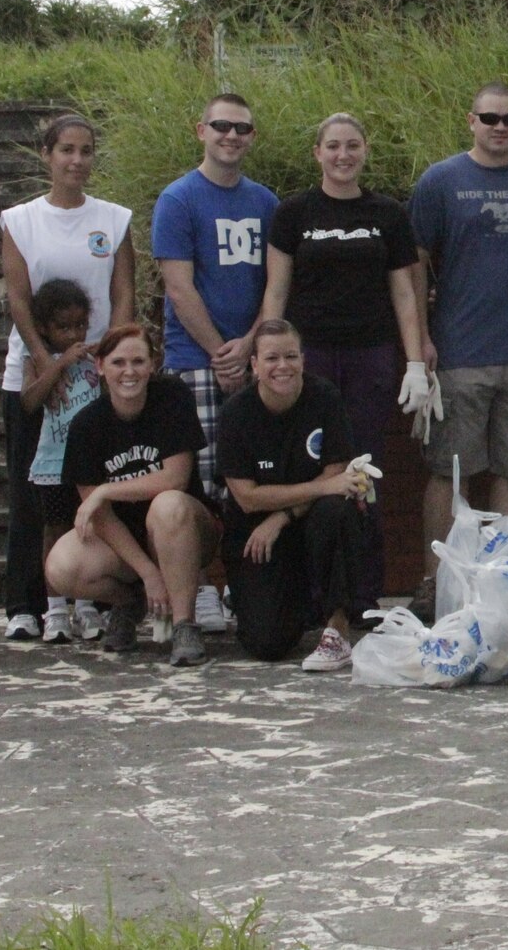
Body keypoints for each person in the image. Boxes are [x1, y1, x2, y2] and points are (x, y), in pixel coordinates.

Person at [408, 82, 508, 618]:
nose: (499, 127)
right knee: (449, 472)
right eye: (489, 118)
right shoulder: (441, 181)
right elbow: (414, 262)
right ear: (470, 120)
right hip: (460, 349)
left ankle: (505, 580)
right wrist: (422, 337)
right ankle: (436, 580)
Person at [261, 112, 426, 606]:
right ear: (317, 153)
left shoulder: (388, 215)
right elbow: (276, 290)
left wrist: (415, 362)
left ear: (365, 151)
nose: (342, 155)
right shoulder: (293, 213)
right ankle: (312, 596)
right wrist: (266, 356)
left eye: (352, 146)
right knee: (312, 470)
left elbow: (404, 294)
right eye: (333, 146)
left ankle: (363, 595)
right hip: (308, 361)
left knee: (363, 471)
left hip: (369, 357)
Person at [0, 113, 134, 642]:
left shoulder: (114, 219)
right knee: (32, 492)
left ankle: (88, 599)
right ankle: (25, 605)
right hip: (35, 375)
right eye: (66, 151)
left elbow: (122, 294)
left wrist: (110, 358)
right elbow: (16, 295)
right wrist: (44, 362)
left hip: (96, 377)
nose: (77, 161)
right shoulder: (20, 220)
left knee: (87, 492)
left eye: (86, 151)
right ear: (47, 155)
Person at [152, 92, 279, 633]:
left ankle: (244, 591)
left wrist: (250, 344)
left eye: (242, 128)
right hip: (195, 361)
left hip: (253, 361)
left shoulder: (266, 202)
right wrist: (218, 351)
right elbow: (178, 287)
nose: (232, 136)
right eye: (221, 126)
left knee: (248, 477)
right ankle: (200, 589)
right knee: (197, 483)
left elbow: (276, 283)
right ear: (200, 129)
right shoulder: (178, 199)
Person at [47, 325, 221, 666]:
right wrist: (148, 575)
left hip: (185, 530)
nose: (129, 372)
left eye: (138, 361)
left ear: (153, 364)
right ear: (100, 367)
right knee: (61, 566)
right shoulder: (86, 425)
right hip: (128, 542)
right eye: (118, 362)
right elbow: (100, 516)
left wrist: (107, 489)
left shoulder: (171, 396)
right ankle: (129, 601)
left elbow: (175, 478)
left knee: (167, 504)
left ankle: (185, 624)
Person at [217, 320, 379, 672]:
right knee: (267, 644)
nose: (282, 366)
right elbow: (247, 497)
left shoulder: (324, 397)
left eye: (291, 356)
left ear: (303, 360)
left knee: (340, 508)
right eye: (271, 358)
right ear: (254, 365)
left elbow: (339, 474)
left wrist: (282, 516)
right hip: (256, 536)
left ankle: (337, 629)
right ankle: (280, 603)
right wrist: (318, 489)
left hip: (306, 522)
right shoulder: (236, 413)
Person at [18, 278, 102, 645]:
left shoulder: (93, 361)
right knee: (54, 529)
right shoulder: (36, 361)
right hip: (53, 464)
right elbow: (28, 402)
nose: (73, 334)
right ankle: (54, 609)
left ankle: (86, 604)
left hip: (89, 465)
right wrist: (58, 365)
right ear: (44, 329)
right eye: (63, 327)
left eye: (80, 325)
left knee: (90, 529)